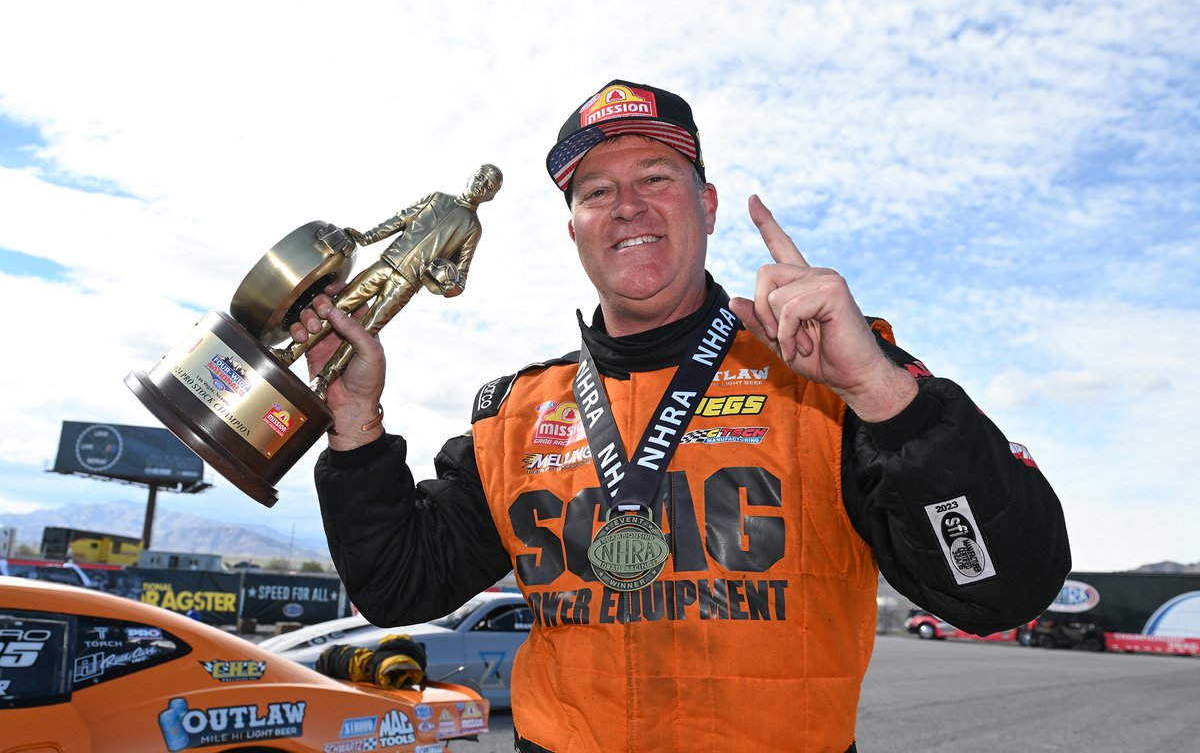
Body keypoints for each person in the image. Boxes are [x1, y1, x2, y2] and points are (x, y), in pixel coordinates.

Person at [291, 79, 1070, 753]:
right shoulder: (516, 415)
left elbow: (1006, 590)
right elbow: (398, 586)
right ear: (575, 230)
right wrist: (356, 422)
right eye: (595, 191)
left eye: (656, 176)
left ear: (707, 204)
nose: (627, 205)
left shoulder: (834, 374)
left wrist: (879, 391)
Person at [277, 163, 502, 398]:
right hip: (386, 263)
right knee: (337, 307)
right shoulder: (437, 198)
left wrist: (448, 285)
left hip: (408, 284)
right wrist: (367, 237)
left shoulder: (472, 228)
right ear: (470, 176)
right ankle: (289, 354)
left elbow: (460, 276)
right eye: (480, 177)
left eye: (488, 185)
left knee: (363, 331)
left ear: (490, 196)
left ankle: (324, 380)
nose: (481, 185)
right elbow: (399, 220)